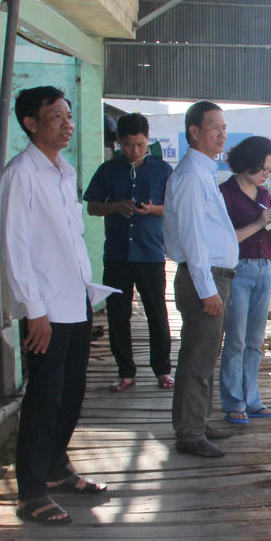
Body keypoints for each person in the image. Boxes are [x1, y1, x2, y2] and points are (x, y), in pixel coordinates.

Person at [0, 86, 112, 525]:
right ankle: (30, 491)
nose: (67, 123)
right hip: (45, 309)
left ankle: (56, 469)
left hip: (75, 300)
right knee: (43, 397)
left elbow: (70, 240)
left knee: (70, 393)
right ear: (30, 123)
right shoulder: (21, 174)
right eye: (56, 117)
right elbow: (14, 247)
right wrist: (34, 309)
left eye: (68, 115)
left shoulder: (62, 171)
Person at [163, 101, 239, 458]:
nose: (222, 134)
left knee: (207, 355)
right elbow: (194, 239)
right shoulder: (192, 176)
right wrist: (207, 290)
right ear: (194, 131)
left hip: (213, 277)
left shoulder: (205, 171)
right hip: (203, 278)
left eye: (224, 127)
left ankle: (199, 421)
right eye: (214, 127)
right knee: (197, 357)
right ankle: (190, 433)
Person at [83, 113, 174, 392]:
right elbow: (92, 207)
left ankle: (162, 370)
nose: (134, 151)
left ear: (148, 139)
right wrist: (114, 207)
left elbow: (174, 207)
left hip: (150, 253)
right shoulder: (107, 170)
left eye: (140, 144)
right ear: (118, 142)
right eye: (127, 145)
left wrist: (151, 210)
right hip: (117, 254)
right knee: (117, 315)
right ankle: (125, 372)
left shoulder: (163, 170)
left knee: (157, 313)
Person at [219, 136, 271, 425]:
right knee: (235, 339)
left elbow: (266, 234)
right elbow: (225, 240)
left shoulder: (264, 194)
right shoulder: (224, 193)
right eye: (262, 168)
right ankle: (234, 401)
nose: (266, 175)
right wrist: (259, 224)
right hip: (238, 269)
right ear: (247, 162)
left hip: (264, 269)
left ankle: (253, 400)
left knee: (255, 341)